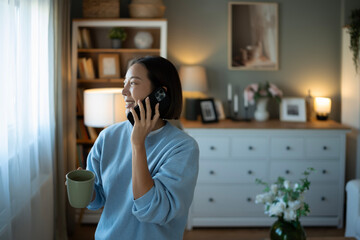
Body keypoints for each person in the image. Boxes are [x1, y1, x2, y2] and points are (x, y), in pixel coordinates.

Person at [86, 56, 199, 240]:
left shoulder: (183, 147)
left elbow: (153, 211)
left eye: (133, 83)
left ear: (160, 93)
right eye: (124, 83)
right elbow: (97, 199)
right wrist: (84, 188)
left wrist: (138, 144)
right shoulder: (108, 136)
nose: (123, 91)